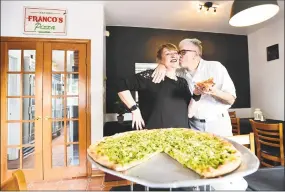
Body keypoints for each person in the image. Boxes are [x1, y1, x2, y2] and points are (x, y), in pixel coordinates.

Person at [151, 38, 236, 137]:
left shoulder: (215, 67)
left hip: (217, 124)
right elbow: (164, 69)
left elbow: (231, 100)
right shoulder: (179, 73)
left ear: (195, 54)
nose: (178, 55)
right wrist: (161, 65)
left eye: (182, 52)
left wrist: (214, 92)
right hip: (193, 125)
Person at [116, 43, 201, 130]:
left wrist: (197, 95)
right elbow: (121, 85)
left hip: (182, 134)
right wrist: (134, 109)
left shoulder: (183, 82)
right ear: (160, 60)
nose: (173, 55)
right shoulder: (150, 77)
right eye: (168, 54)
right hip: (156, 135)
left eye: (175, 53)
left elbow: (189, 113)